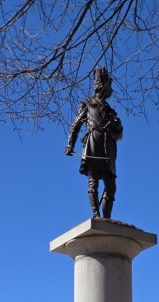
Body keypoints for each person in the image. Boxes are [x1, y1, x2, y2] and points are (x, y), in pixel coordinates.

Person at [65, 67, 123, 219]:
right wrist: (70, 144)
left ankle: (106, 218)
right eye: (106, 87)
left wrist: (117, 126)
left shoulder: (111, 111)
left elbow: (118, 134)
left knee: (111, 186)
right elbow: (76, 124)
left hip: (108, 147)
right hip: (93, 143)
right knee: (94, 182)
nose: (108, 91)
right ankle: (96, 215)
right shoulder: (88, 104)